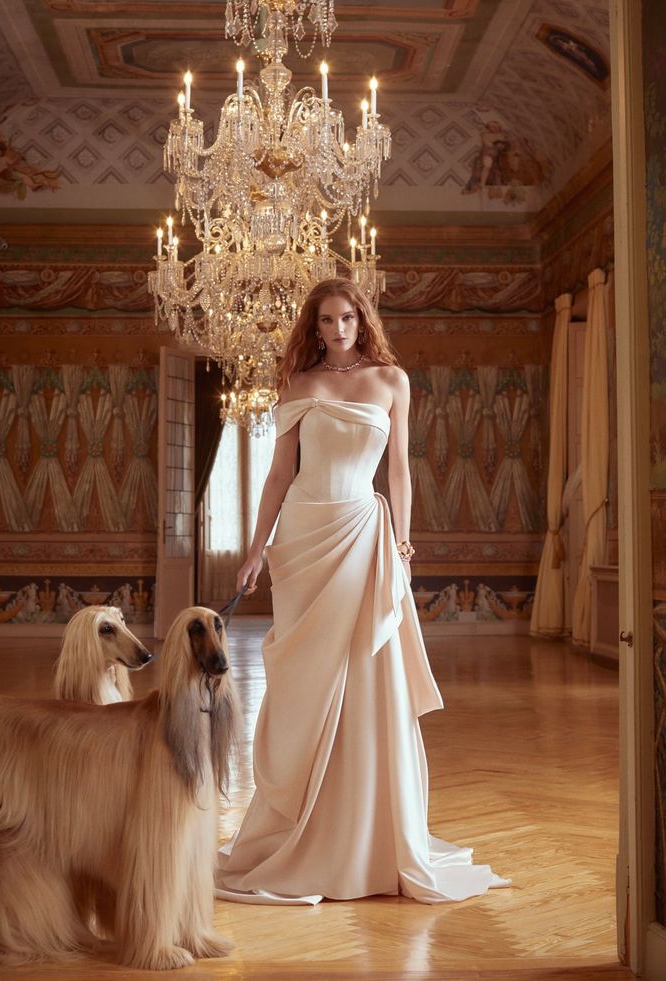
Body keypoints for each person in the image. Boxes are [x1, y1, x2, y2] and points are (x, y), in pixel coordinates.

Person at [215, 278, 509, 905]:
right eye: (326, 320)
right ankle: (303, 824)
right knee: (307, 681)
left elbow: (399, 469)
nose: (338, 328)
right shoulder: (300, 386)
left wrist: (402, 545)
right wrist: (253, 552)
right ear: (314, 327)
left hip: (361, 533)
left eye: (347, 317)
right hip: (305, 535)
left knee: (365, 674)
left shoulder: (392, 382)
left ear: (361, 318)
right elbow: (277, 475)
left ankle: (368, 830)